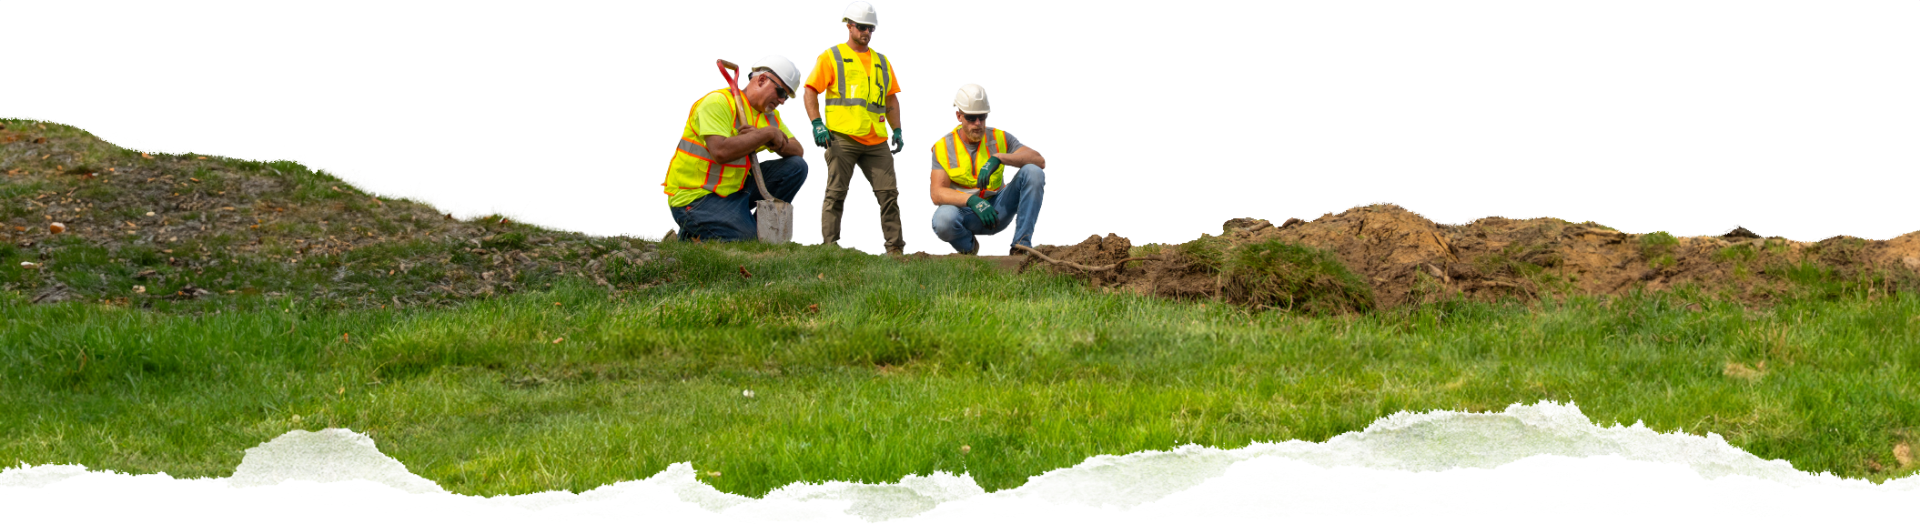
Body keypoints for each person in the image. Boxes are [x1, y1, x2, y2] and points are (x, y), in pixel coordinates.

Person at [661, 55, 808, 242]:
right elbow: (720, 152)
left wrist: (765, 134)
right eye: (780, 92)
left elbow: (797, 150)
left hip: (734, 190)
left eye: (786, 96)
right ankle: (688, 235)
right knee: (746, 241)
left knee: (797, 167)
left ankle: (748, 228)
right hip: (696, 196)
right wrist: (764, 135)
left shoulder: (769, 116)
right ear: (761, 80)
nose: (782, 100)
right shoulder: (718, 103)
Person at [803, 0, 906, 254]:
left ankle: (895, 250)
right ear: (848, 25)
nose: (866, 33)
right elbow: (810, 90)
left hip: (876, 140)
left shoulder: (882, 60)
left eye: (870, 28)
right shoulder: (832, 56)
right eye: (861, 27)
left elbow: (891, 98)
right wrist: (817, 123)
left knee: (889, 194)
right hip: (841, 138)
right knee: (836, 193)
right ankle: (830, 249)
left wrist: (897, 129)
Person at [928, 82, 1047, 255]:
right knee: (942, 219)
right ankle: (968, 248)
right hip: (966, 213)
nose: (978, 123)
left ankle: (1021, 246)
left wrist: (1000, 158)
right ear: (959, 116)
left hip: (998, 208)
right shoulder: (943, 147)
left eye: (982, 117)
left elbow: (1039, 161)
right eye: (971, 118)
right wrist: (972, 201)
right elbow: (937, 194)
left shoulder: (1000, 137)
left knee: (1034, 172)